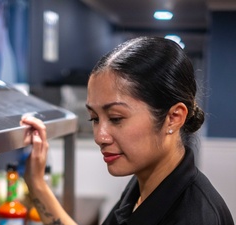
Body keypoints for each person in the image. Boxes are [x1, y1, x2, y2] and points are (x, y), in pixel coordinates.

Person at [20, 36, 234, 225]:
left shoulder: (193, 217)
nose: (99, 137)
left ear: (173, 118)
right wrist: (37, 184)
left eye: (116, 118)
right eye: (94, 118)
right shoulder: (146, 185)